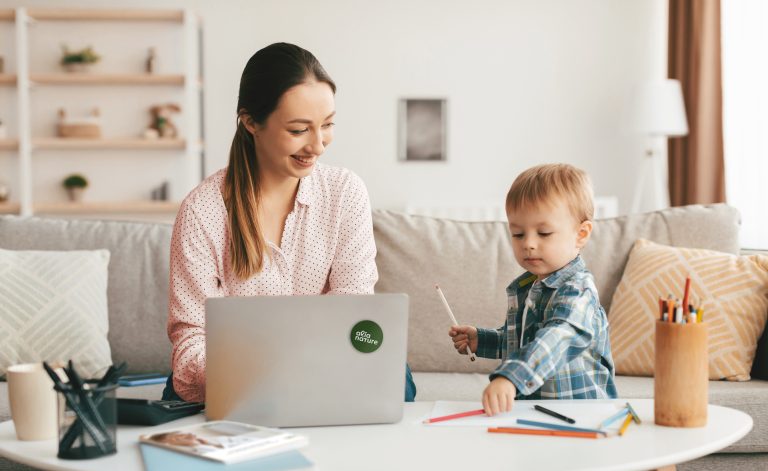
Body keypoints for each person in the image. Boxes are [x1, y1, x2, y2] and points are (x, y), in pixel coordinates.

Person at [163, 42, 416, 403]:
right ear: (251, 122)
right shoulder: (202, 212)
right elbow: (191, 345)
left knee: (396, 375)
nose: (318, 145)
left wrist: (312, 361)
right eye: (299, 130)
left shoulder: (344, 192)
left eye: (327, 125)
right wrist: (265, 367)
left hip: (328, 366)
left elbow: (355, 311)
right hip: (241, 377)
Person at [449, 163, 617, 416]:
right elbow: (520, 343)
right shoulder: (527, 288)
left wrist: (511, 377)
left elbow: (556, 338)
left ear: (581, 234)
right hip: (537, 413)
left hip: (582, 416)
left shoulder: (578, 291)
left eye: (544, 233)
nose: (528, 243)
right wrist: (481, 339)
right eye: (518, 234)